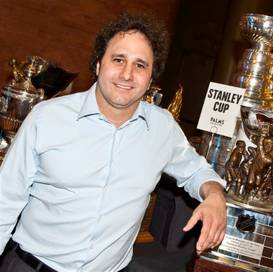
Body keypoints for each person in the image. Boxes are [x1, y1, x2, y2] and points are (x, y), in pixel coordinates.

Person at [0, 13, 226, 272]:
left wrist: (215, 195)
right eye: (118, 59)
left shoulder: (162, 128)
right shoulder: (47, 118)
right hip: (31, 266)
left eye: (140, 65)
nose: (127, 74)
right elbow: (4, 200)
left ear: (151, 78)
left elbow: (197, 171)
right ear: (98, 65)